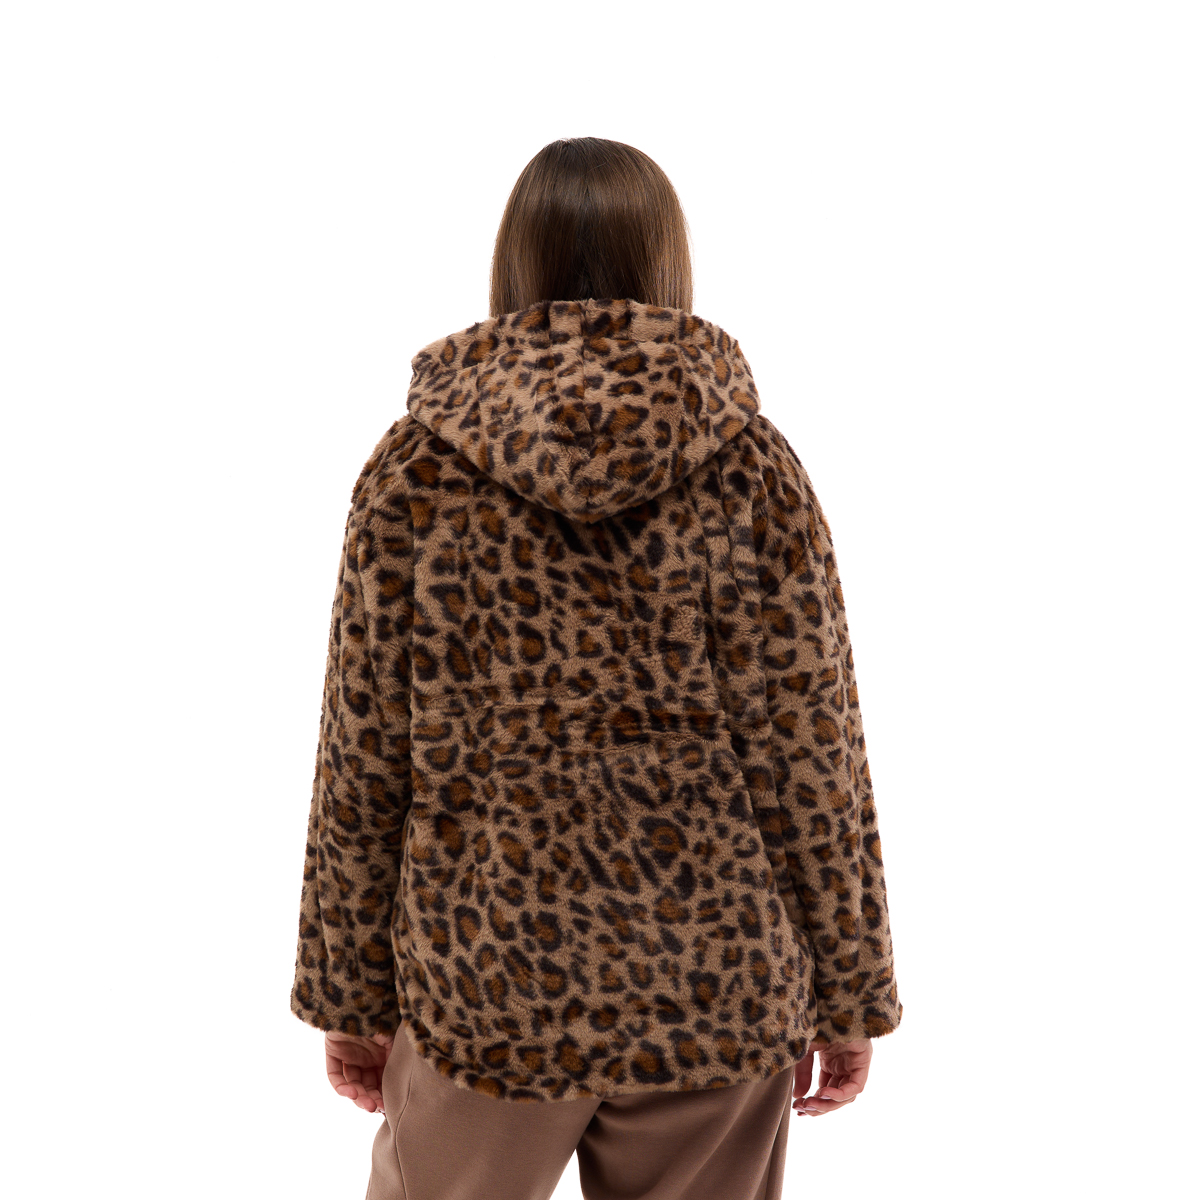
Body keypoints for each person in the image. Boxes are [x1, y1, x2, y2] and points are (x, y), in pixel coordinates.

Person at [290, 136, 903, 1200]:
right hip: (714, 989)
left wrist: (348, 995)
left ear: (511, 261)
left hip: (486, 987)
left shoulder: (416, 473)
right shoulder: (752, 469)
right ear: (668, 259)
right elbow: (814, 752)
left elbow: (363, 753)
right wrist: (852, 989)